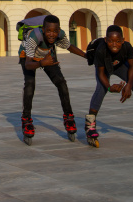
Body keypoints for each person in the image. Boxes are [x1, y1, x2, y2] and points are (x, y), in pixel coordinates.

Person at [85, 24, 133, 147]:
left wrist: (129, 85)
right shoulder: (101, 50)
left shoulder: (127, 47)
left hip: (120, 67)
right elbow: (101, 73)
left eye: (118, 41)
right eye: (111, 41)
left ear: (123, 40)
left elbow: (132, 66)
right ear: (105, 40)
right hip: (105, 69)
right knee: (101, 89)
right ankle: (90, 125)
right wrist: (109, 87)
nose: (114, 44)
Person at [19, 14, 86, 144]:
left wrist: (86, 55)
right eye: (48, 31)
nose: (52, 34)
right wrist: (41, 63)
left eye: (55, 31)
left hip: (47, 57)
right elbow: (28, 64)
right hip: (28, 58)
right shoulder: (34, 37)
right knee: (30, 85)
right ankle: (26, 119)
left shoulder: (60, 34)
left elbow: (69, 46)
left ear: (59, 29)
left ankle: (69, 117)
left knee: (61, 83)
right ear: (43, 30)